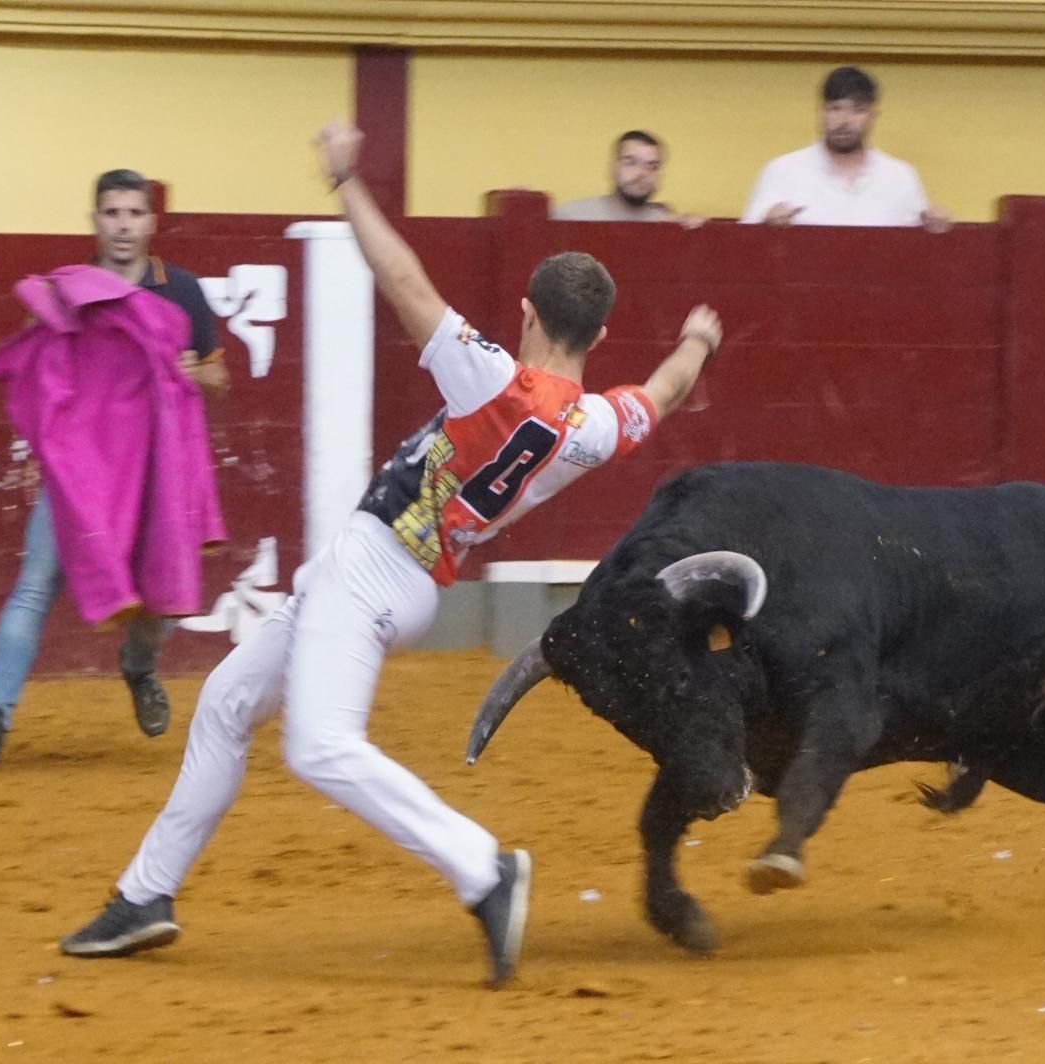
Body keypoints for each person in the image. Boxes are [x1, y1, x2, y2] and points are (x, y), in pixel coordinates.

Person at [57, 120, 725, 990]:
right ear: (597, 340)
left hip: (373, 568)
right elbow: (663, 393)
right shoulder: (594, 424)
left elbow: (402, 277)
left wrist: (347, 182)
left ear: (526, 313)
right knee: (225, 702)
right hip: (405, 575)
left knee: (319, 745)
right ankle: (146, 895)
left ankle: (483, 870)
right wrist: (698, 342)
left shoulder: (490, 375)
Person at [0, 169, 229, 770]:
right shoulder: (66, 292)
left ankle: (140, 665)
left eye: (133, 213)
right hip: (83, 475)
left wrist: (191, 373)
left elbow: (218, 375)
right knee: (35, 584)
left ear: (152, 221)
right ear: (94, 220)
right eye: (111, 213)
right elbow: (37, 368)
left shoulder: (181, 290)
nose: (122, 225)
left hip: (156, 472)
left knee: (164, 598)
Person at [741, 66, 952, 233]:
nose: (844, 120)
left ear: (872, 115)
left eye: (857, 110)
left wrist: (936, 226)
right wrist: (767, 225)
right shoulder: (783, 171)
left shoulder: (899, 176)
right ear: (822, 112)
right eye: (835, 108)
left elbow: (920, 256)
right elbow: (744, 247)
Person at [553, 130, 703, 227]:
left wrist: (698, 231)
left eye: (652, 166)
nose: (641, 173)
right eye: (630, 162)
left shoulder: (668, 224)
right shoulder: (570, 216)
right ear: (612, 168)